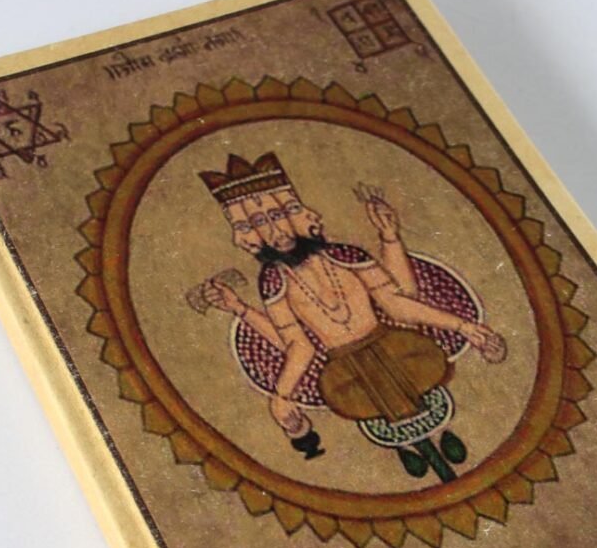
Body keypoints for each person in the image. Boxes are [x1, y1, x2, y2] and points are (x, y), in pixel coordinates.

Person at [197, 152, 506, 448]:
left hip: (402, 349)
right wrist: (282, 395)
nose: (276, 231)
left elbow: (397, 303)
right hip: (344, 378)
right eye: (259, 222)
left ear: (297, 212)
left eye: (278, 215)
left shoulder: (346, 255)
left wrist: (464, 327)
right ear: (249, 233)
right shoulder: (274, 281)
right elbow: (297, 345)